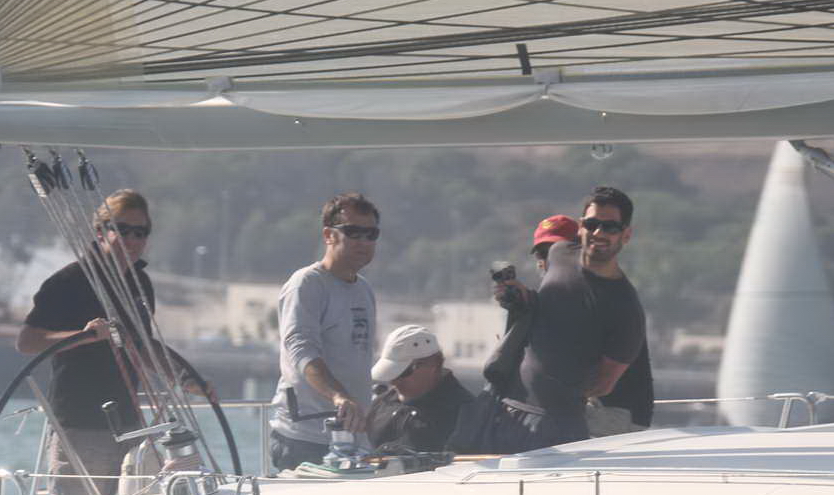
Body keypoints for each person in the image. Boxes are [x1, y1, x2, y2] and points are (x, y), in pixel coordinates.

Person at [18, 189, 162, 495]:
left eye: (140, 232)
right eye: (122, 230)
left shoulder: (140, 285)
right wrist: (83, 336)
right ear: (100, 231)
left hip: (130, 425)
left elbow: (143, 347)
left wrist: (187, 380)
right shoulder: (69, 282)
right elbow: (27, 342)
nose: (132, 239)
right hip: (81, 425)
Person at [495, 209, 653, 436]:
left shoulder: (597, 292)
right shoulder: (561, 294)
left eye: (555, 251)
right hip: (587, 408)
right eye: (541, 254)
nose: (547, 260)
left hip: (611, 412)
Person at [268, 192, 380, 471]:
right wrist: (339, 397)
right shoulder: (307, 284)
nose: (363, 242)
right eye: (353, 232)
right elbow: (301, 348)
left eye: (371, 234)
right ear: (329, 235)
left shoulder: (364, 289)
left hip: (354, 439)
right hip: (305, 438)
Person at [365, 325, 473, 453]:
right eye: (391, 374)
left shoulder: (465, 413)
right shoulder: (382, 403)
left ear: (433, 364)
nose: (394, 381)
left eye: (403, 373)